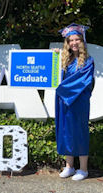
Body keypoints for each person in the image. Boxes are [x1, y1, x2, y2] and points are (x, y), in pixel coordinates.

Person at [54, 23, 95, 181]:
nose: (74, 43)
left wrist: (62, 90)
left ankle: (83, 169)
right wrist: (54, 57)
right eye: (71, 40)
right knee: (65, 131)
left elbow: (82, 82)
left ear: (82, 41)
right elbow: (55, 76)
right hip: (64, 102)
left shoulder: (88, 62)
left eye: (77, 39)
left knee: (80, 132)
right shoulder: (66, 60)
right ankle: (69, 166)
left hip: (79, 102)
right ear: (67, 43)